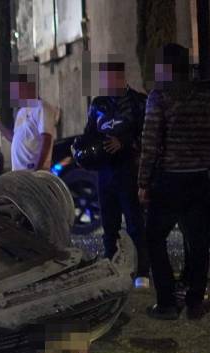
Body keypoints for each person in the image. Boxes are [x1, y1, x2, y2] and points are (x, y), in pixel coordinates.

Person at [138, 43, 210, 320]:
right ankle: (194, 302)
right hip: (199, 179)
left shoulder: (160, 97)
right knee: (198, 241)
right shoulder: (206, 96)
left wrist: (143, 182)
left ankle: (167, 302)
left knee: (154, 238)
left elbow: (149, 143)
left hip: (169, 181)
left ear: (166, 68)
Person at [78, 60, 151, 288]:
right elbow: (89, 133)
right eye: (103, 80)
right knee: (109, 225)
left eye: (110, 79)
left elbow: (149, 136)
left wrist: (125, 142)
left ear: (121, 78)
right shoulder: (98, 104)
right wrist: (83, 153)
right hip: (104, 172)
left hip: (128, 169)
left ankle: (142, 272)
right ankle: (111, 265)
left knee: (134, 223)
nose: (107, 84)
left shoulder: (138, 102)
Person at [0, 71, 59, 171]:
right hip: (19, 173)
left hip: (33, 172)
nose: (14, 94)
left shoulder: (42, 108)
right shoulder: (21, 112)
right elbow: (15, 138)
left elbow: (46, 139)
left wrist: (38, 170)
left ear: (28, 87)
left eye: (16, 90)